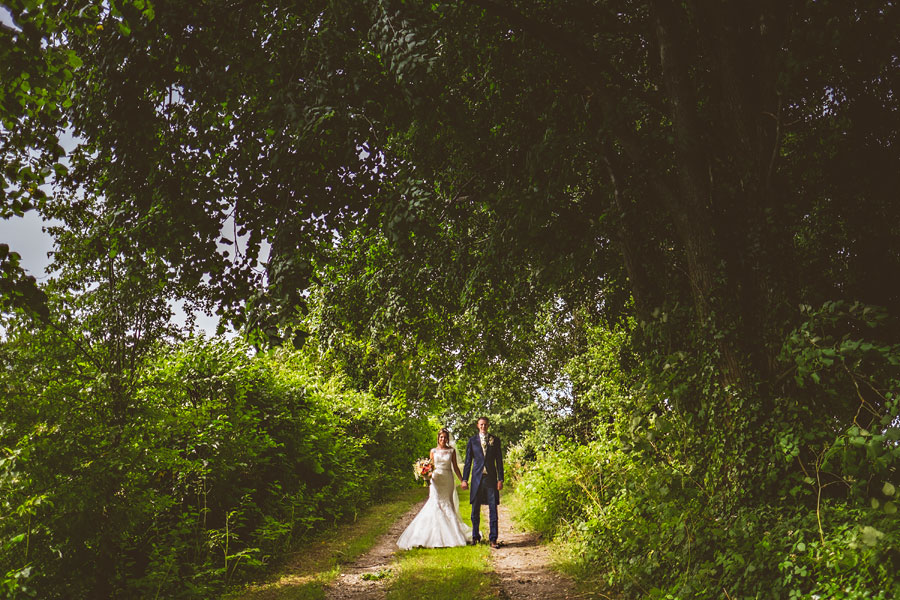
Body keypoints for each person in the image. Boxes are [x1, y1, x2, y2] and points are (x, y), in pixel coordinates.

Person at [397, 428, 472, 549]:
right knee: (435, 503)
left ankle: (453, 534)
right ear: (438, 438)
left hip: (447, 479)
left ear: (448, 439)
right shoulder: (433, 451)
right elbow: (430, 466)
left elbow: (455, 467)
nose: (443, 439)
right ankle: (431, 536)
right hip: (436, 479)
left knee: (448, 503)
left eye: (445, 437)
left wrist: (463, 480)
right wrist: (425, 475)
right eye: (441, 437)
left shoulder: (451, 451)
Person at [461, 416, 504, 548]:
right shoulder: (472, 441)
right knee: (475, 509)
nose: (483, 427)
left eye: (485, 424)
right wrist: (464, 479)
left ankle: (493, 539)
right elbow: (468, 462)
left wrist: (500, 479)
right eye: (481, 425)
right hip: (477, 479)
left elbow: (499, 461)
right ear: (477, 425)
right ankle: (475, 537)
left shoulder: (495, 440)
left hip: (490, 478)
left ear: (488, 425)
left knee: (493, 509)